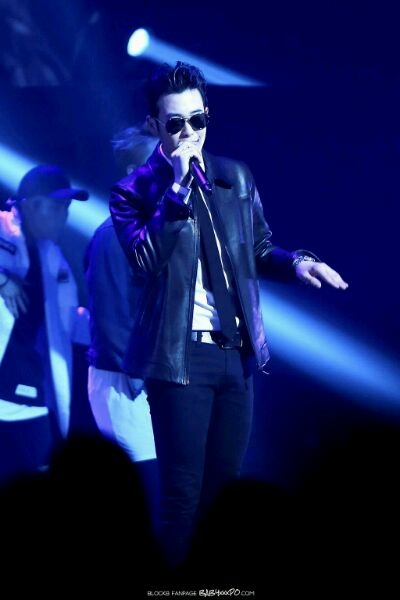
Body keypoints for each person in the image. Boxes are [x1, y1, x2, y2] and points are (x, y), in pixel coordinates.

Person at [109, 61, 349, 566]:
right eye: (176, 123)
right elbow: (144, 260)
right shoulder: (133, 191)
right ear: (154, 125)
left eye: (198, 120)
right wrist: (177, 190)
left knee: (225, 496)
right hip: (179, 359)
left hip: (235, 355)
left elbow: (258, 248)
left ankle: (220, 587)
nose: (190, 133)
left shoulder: (233, 176)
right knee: (182, 497)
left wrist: (299, 263)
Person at [0, 164, 89, 482]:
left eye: (66, 208)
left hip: (29, 386)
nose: (65, 215)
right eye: (57, 206)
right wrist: (2, 280)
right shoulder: (2, 227)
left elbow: (70, 318)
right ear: (30, 206)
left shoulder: (52, 255)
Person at [85, 123, 158, 464]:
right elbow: (111, 317)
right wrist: (138, 377)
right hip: (125, 382)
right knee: (145, 481)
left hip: (145, 377)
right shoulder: (113, 236)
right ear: (133, 173)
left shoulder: (151, 230)